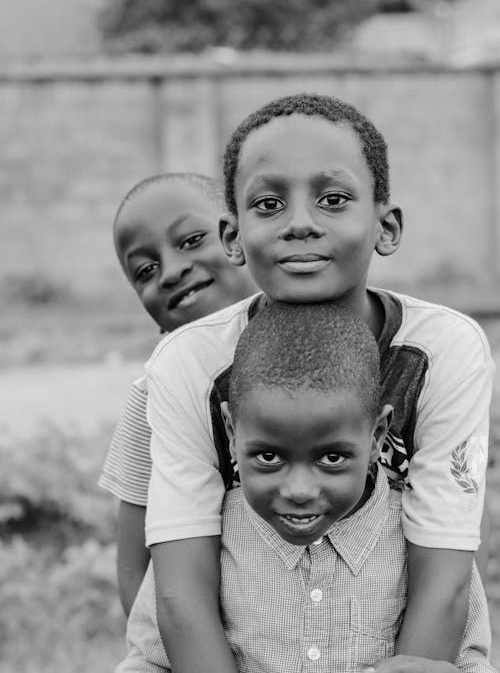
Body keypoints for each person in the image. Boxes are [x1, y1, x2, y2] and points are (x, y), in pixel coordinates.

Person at [144, 94, 495, 673]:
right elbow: (179, 593)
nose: (300, 221)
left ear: (386, 226)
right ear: (232, 236)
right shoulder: (192, 362)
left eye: (333, 200)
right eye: (268, 202)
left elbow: (446, 577)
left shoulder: (441, 352)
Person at [118, 302, 493, 673]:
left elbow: (471, 661)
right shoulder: (207, 543)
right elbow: (147, 661)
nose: (299, 490)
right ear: (231, 433)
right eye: (268, 457)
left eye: (331, 459)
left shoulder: (415, 543)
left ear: (377, 435)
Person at [98, 173, 256, 615]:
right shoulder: (152, 396)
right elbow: (135, 565)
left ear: (239, 237)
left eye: (190, 240)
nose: (172, 271)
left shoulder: (332, 352)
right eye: (145, 271)